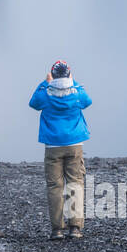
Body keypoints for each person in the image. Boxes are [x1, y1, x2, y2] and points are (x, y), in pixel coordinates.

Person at [28, 60, 92, 240]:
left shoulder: (46, 93)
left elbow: (33, 103)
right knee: (75, 184)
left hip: (53, 146)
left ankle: (57, 230)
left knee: (55, 186)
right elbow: (87, 101)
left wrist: (44, 83)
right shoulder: (76, 93)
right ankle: (75, 228)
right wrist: (75, 82)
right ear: (69, 74)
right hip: (74, 145)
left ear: (53, 75)